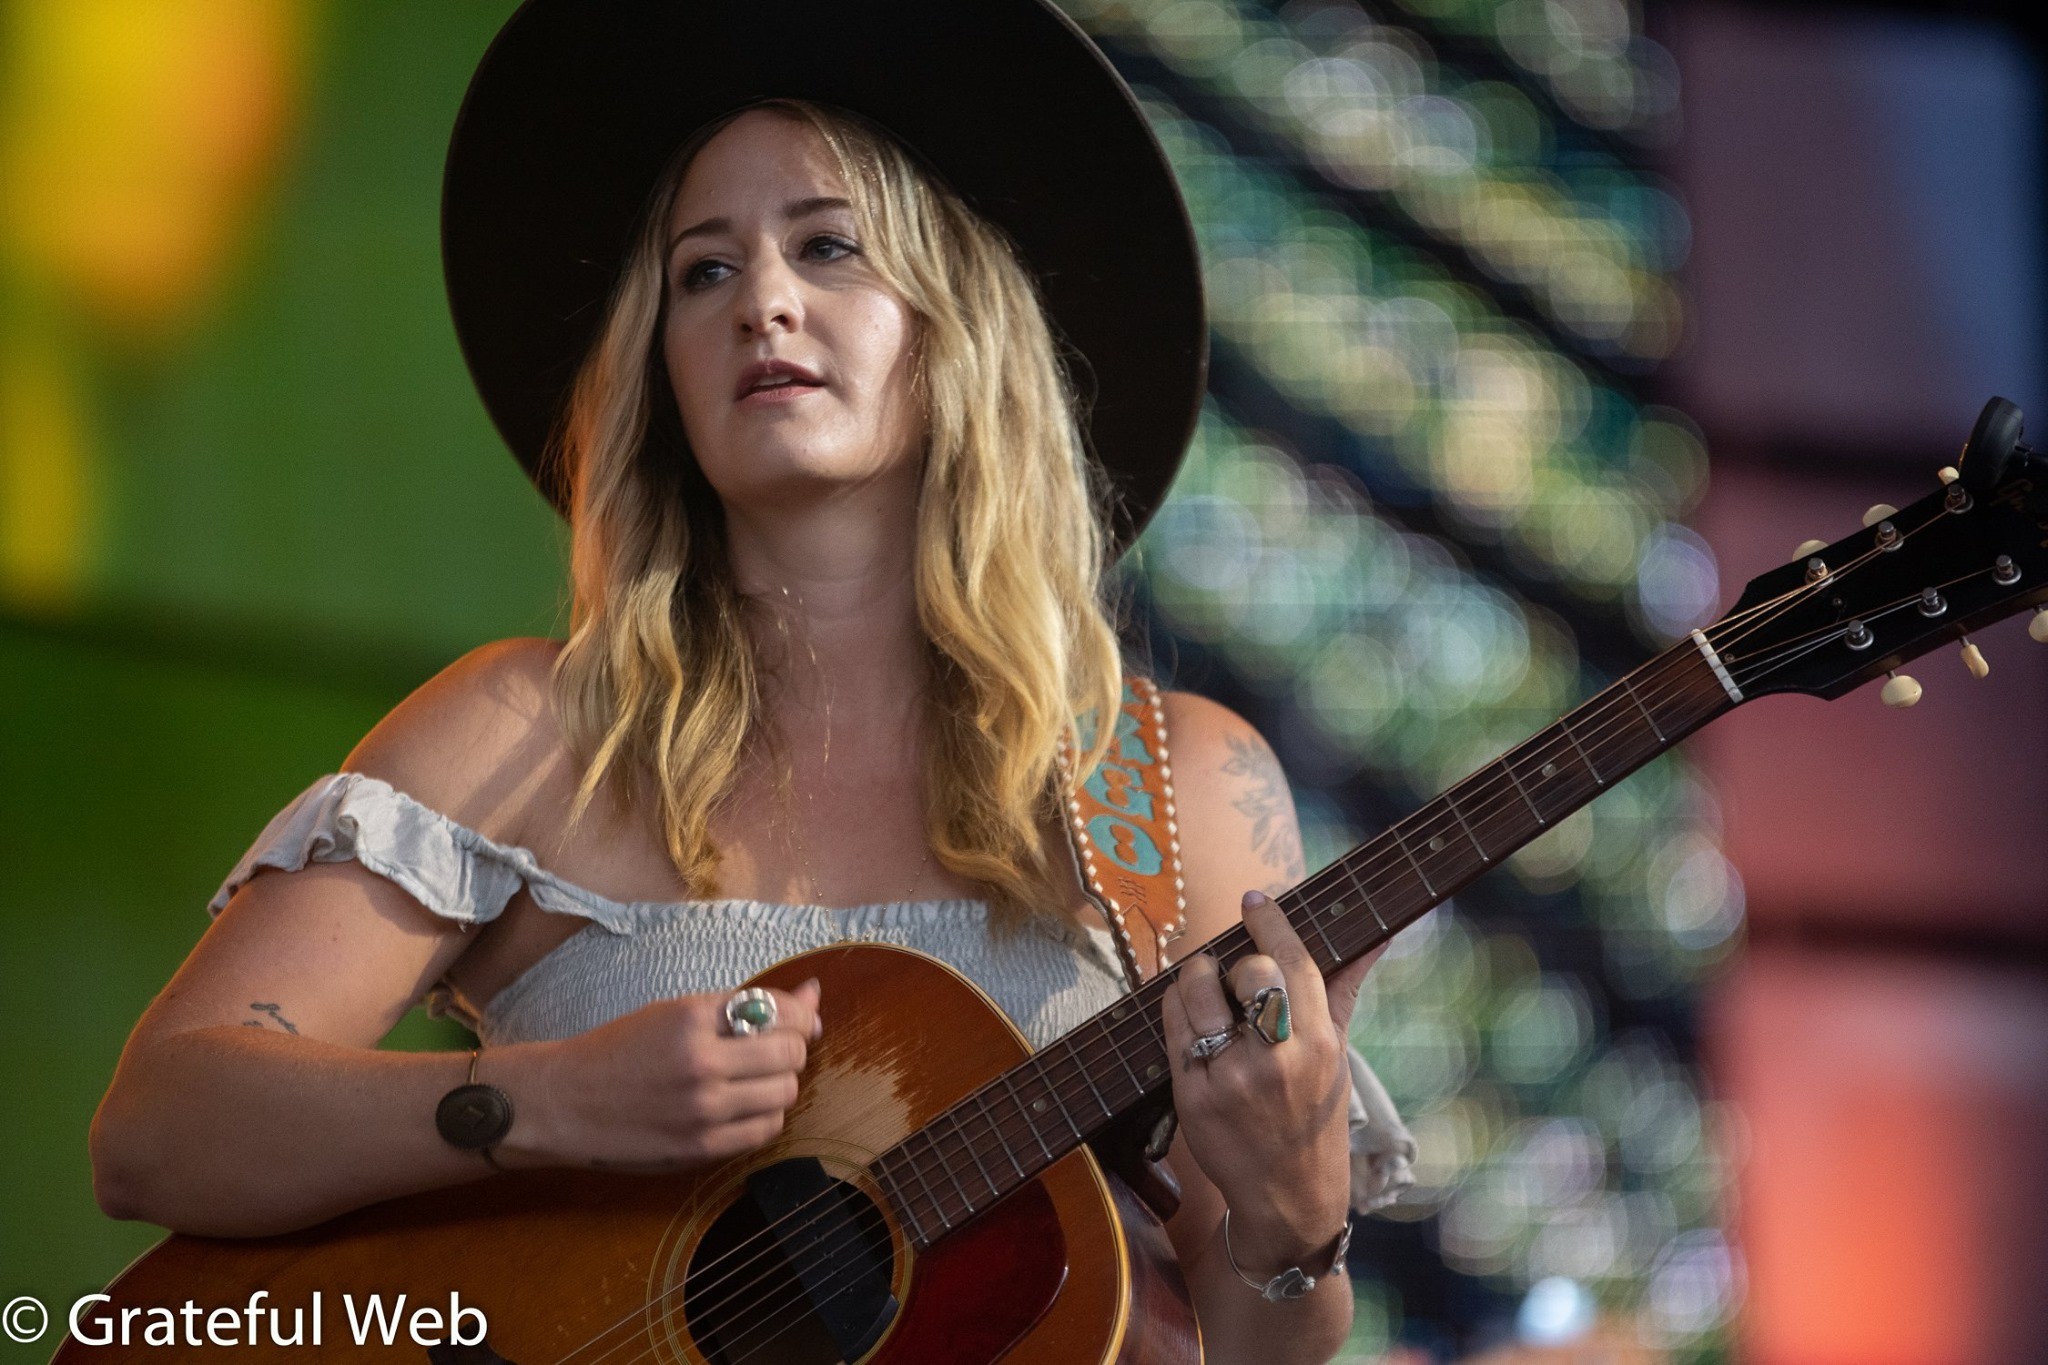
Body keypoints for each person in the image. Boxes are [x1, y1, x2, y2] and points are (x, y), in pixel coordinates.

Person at [87, 2, 1411, 1360]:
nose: (763, 299)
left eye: (828, 246)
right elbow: (158, 1127)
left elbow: (1256, 1344)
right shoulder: (530, 729)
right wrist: (551, 1101)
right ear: (658, 362)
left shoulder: (1174, 780)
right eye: (702, 272)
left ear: (959, 325)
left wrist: (1291, 1219)